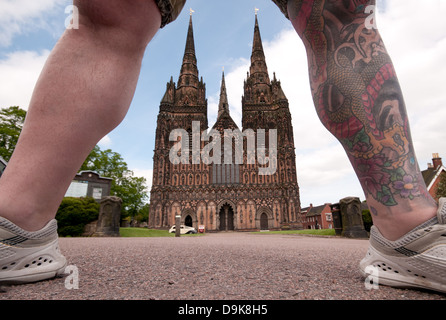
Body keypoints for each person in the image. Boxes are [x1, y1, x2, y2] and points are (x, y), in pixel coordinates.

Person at [0, 0, 444, 294]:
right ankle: (14, 222)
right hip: (186, 192)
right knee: (336, 13)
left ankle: (14, 221)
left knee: (112, 16)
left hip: (267, 191)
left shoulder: (260, 113)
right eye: (186, 90)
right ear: (183, 94)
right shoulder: (187, 118)